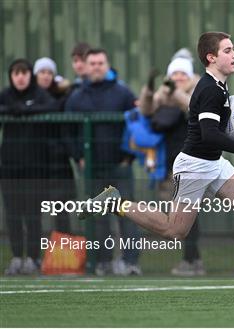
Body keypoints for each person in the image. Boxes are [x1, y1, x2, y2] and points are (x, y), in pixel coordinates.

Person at [78, 32, 234, 299]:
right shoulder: (209, 89)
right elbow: (209, 134)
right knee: (175, 230)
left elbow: (217, 129)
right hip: (194, 165)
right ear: (211, 57)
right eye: (228, 50)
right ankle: (115, 203)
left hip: (214, 162)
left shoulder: (220, 86)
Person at [65, 48, 142, 276]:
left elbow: (137, 127)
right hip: (91, 168)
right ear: (85, 67)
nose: (97, 67)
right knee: (98, 217)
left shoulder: (123, 93)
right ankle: (103, 262)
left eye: (101, 62)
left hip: (120, 167)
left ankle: (130, 263)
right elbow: (66, 131)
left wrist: (129, 158)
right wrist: (78, 156)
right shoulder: (76, 97)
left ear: (107, 65)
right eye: (93, 63)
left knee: (128, 215)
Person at [138, 53, 206, 276]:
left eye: (182, 73)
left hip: (194, 164)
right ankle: (191, 259)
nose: (178, 77)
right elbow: (146, 110)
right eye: (174, 73)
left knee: (189, 216)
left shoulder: (199, 90)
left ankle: (192, 259)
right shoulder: (163, 95)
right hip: (170, 165)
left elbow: (191, 107)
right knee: (176, 216)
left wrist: (173, 91)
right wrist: (149, 89)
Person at [0, 59, 57, 275]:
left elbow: (53, 106)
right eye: (16, 73)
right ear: (11, 76)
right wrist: (12, 109)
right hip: (10, 168)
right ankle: (16, 257)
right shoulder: (5, 95)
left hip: (36, 168)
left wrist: (23, 109)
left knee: (33, 215)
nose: (21, 77)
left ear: (30, 75)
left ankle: (32, 258)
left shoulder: (40, 94)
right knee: (13, 214)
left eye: (24, 73)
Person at [34, 57, 74, 234]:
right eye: (42, 72)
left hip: (59, 160)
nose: (46, 76)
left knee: (61, 208)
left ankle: (64, 254)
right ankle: (33, 256)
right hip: (36, 160)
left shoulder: (62, 95)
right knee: (34, 207)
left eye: (49, 72)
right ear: (36, 75)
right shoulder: (30, 97)